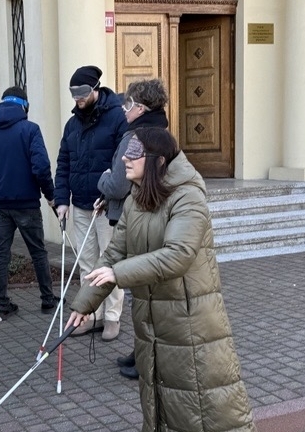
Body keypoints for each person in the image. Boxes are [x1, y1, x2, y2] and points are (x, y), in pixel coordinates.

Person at [67, 127, 256, 432]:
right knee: (158, 402)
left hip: (189, 323)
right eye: (125, 152)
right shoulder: (135, 198)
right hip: (151, 322)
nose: (124, 159)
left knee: (205, 407)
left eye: (134, 153)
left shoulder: (188, 196)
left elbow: (178, 254)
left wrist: (119, 273)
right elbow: (114, 253)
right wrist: (84, 305)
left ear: (158, 160)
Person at [98, 79, 170, 379]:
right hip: (143, 218)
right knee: (143, 294)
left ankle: (147, 359)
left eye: (128, 104)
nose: (124, 109)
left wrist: (103, 179)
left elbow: (118, 184)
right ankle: (141, 351)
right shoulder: (159, 132)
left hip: (137, 220)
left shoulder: (136, 137)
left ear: (141, 108)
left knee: (143, 295)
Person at [54, 65, 127, 341]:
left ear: (95, 88)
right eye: (73, 93)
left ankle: (112, 317)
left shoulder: (117, 117)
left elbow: (121, 162)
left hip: (106, 206)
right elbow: (64, 162)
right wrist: (62, 200)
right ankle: (92, 315)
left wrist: (108, 195)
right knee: (87, 264)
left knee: (110, 264)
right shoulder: (72, 125)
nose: (78, 98)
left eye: (82, 92)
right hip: (81, 205)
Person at [0, 86, 59, 319]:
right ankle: (47, 299)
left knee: (2, 254)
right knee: (38, 252)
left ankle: (2, 303)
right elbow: (41, 168)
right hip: (27, 203)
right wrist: (50, 195)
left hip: (0, 205)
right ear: (24, 106)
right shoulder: (30, 129)